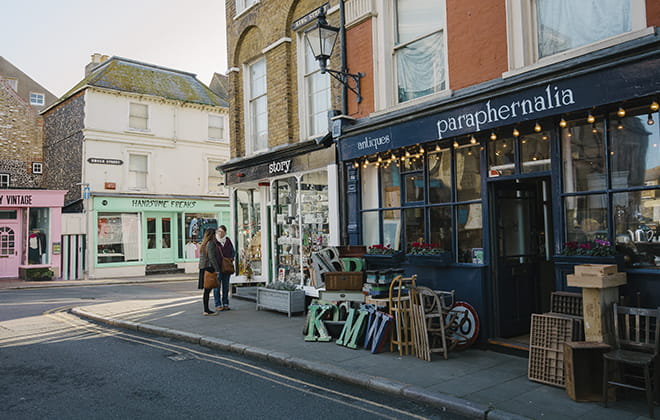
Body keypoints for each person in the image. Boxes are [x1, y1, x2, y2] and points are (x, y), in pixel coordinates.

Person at [213, 225, 235, 311]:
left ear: (225, 232)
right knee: (217, 287)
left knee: (225, 287)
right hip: (218, 268)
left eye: (222, 231)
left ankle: (225, 303)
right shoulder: (214, 241)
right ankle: (218, 304)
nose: (220, 233)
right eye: (219, 231)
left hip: (226, 268)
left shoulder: (228, 241)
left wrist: (231, 259)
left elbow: (233, 252)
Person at [198, 228, 218, 316]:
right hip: (209, 268)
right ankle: (206, 310)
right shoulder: (211, 243)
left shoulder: (203, 243)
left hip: (203, 268)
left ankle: (206, 309)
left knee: (206, 290)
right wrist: (217, 269)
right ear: (212, 235)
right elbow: (212, 257)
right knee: (208, 289)